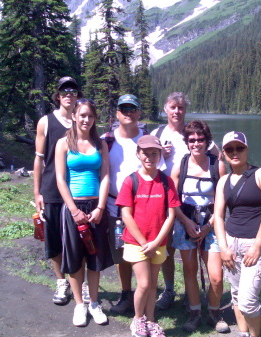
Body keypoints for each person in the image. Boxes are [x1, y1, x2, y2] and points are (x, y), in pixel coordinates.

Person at [151, 92, 220, 310]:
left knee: (191, 250)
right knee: (168, 248)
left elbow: (218, 157)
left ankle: (204, 301)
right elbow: (146, 164)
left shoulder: (195, 132)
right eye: (173, 107)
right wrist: (160, 153)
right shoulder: (157, 133)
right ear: (165, 109)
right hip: (167, 200)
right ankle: (170, 290)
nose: (177, 111)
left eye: (181, 108)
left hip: (196, 206)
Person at [55, 98, 113, 326]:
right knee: (75, 257)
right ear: (74, 117)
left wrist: (100, 207)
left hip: (96, 207)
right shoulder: (63, 144)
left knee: (95, 257)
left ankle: (95, 303)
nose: (86, 120)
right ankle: (80, 304)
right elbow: (60, 179)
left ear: (95, 118)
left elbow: (105, 176)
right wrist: (73, 209)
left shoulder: (101, 145)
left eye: (90, 116)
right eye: (82, 115)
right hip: (73, 208)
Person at [116, 135, 180, 337]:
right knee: (143, 283)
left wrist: (157, 241)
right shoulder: (130, 181)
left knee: (153, 284)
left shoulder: (166, 181)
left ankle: (151, 321)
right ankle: (137, 319)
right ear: (138, 154)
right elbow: (126, 214)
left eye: (154, 153)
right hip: (137, 243)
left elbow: (170, 215)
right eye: (145, 153)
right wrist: (146, 243)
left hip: (158, 243)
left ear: (160, 155)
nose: (150, 157)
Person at [213, 131, 261, 337]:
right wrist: (223, 247)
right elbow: (219, 215)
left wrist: (257, 246)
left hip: (255, 243)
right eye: (229, 149)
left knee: (248, 301)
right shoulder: (224, 181)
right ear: (223, 153)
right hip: (231, 242)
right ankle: (243, 333)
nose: (235, 152)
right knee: (237, 294)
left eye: (239, 148)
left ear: (247, 149)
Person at [170, 120, 229, 333]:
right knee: (190, 270)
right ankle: (194, 312)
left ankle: (214, 311)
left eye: (200, 139)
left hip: (211, 224)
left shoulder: (217, 165)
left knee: (216, 275)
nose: (196, 143)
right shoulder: (181, 165)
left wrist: (208, 226)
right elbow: (173, 200)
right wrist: (186, 223)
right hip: (185, 223)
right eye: (192, 140)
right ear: (187, 142)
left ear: (207, 141)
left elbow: (223, 200)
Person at [33, 76, 83, 304]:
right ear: (58, 95)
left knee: (78, 238)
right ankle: (61, 282)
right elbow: (39, 159)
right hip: (52, 188)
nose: (69, 94)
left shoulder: (82, 121)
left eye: (73, 90)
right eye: (64, 91)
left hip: (78, 190)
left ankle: (79, 283)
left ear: (77, 95)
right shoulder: (46, 121)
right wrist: (37, 192)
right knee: (53, 238)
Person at [101, 94, 147, 315]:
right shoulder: (106, 140)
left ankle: (144, 294)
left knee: (145, 249)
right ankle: (126, 293)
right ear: (117, 113)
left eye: (132, 108)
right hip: (114, 207)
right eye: (123, 109)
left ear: (138, 113)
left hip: (143, 207)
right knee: (120, 252)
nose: (128, 112)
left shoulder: (147, 139)